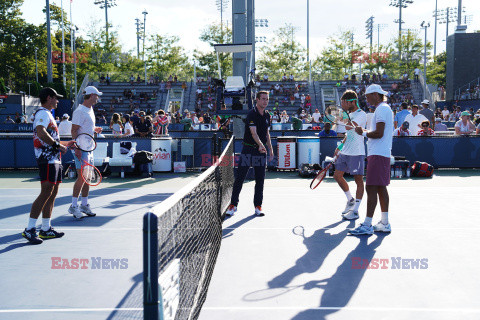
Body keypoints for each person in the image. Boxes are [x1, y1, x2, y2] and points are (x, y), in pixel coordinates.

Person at [22, 88, 73, 244]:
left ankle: (45, 229)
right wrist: (58, 145)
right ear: (49, 98)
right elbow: (41, 132)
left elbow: (49, 139)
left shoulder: (47, 114)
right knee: (46, 192)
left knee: (52, 192)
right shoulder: (43, 113)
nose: (58, 101)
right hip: (47, 159)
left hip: (53, 159)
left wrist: (66, 144)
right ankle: (29, 229)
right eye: (56, 98)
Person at [353, 84, 394, 235]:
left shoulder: (382, 109)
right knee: (380, 188)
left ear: (376, 95)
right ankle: (384, 222)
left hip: (378, 153)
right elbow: (377, 132)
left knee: (371, 188)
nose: (367, 98)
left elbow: (379, 133)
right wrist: (364, 131)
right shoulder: (384, 108)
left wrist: (362, 133)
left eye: (368, 96)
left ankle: (367, 225)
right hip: (380, 153)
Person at [226, 91, 274, 217]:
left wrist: (270, 149)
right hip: (248, 150)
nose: (265, 101)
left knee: (260, 180)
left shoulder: (268, 115)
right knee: (240, 178)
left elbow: (266, 134)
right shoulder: (251, 114)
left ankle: (258, 206)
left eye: (267, 99)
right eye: (263, 99)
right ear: (257, 100)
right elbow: (254, 133)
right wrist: (261, 145)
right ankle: (233, 205)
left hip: (261, 152)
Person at [68, 86, 103, 219]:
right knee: (82, 177)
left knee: (88, 178)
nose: (98, 98)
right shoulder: (79, 111)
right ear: (91, 95)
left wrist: (95, 129)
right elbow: (74, 130)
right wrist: (76, 147)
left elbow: (86, 127)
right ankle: (73, 206)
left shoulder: (90, 109)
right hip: (81, 149)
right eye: (96, 95)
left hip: (89, 148)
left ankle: (84, 204)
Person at [333, 90, 367, 220]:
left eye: (345, 103)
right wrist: (340, 147)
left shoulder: (361, 114)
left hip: (357, 153)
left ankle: (356, 210)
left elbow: (349, 127)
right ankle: (350, 200)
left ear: (352, 102)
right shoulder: (350, 114)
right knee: (337, 176)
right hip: (345, 151)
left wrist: (343, 117)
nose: (343, 106)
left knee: (358, 181)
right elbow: (348, 134)